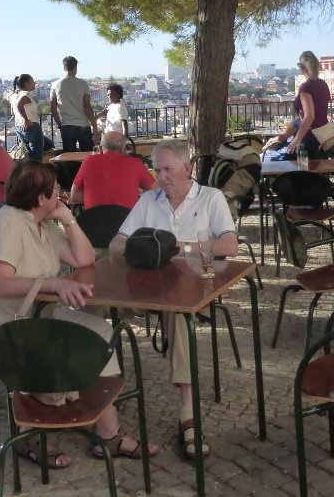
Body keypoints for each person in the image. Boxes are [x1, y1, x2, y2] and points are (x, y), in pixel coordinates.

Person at [0, 161, 157, 467]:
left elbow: (84, 260)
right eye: (56, 190)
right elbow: (2, 285)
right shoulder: (7, 223)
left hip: (40, 315)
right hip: (0, 325)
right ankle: (30, 433)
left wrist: (68, 218)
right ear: (41, 198)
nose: (62, 193)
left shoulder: (43, 224)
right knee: (57, 345)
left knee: (100, 331)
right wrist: (53, 282)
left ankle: (107, 431)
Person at [110, 139, 238, 460]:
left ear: (187, 168)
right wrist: (145, 248)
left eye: (168, 169)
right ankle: (98, 390)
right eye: (157, 169)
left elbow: (230, 245)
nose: (162, 176)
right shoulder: (149, 201)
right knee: (96, 305)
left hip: (193, 287)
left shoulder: (210, 198)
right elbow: (116, 244)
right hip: (148, 288)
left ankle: (188, 413)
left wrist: (182, 247)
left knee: (179, 315)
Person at [264, 51, 331, 161]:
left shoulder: (306, 87)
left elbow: (309, 116)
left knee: (269, 158)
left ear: (302, 68)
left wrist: (297, 139)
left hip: (308, 138)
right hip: (322, 137)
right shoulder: (323, 84)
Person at [69, 130, 156, 210]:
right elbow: (156, 191)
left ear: (100, 149)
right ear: (125, 149)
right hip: (128, 222)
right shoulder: (136, 163)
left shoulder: (89, 161)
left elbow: (74, 196)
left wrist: (97, 197)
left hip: (94, 222)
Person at [50, 56, 96, 152]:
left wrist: (60, 124)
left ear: (64, 67)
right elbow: (87, 107)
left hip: (67, 125)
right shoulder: (83, 84)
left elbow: (53, 109)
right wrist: (94, 127)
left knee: (69, 158)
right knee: (87, 156)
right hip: (83, 124)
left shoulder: (55, 85)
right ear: (75, 68)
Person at [9, 74, 46, 161]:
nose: (34, 83)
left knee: (46, 144)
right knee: (36, 158)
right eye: (32, 81)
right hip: (32, 127)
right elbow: (20, 105)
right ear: (26, 83)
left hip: (19, 128)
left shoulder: (14, 96)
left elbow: (12, 112)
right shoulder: (26, 94)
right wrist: (26, 119)